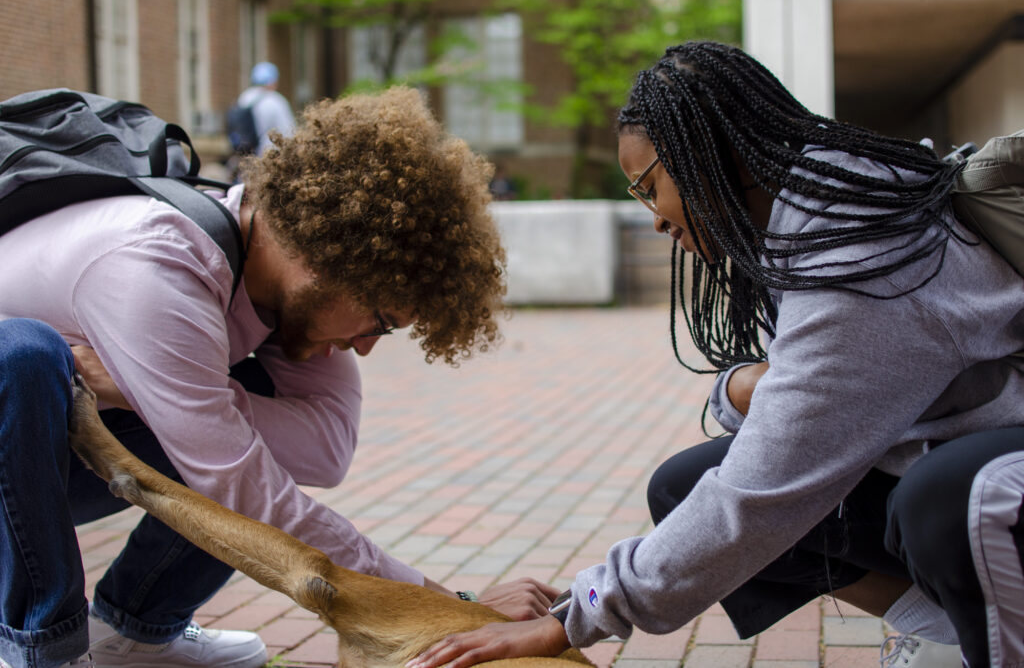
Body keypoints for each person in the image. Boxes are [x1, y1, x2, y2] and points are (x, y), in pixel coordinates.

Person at [407, 42, 1024, 668]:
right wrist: (736, 390)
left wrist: (577, 617)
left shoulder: (862, 256)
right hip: (936, 440)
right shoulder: (811, 218)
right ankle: (940, 629)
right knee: (682, 486)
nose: (653, 219)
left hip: (997, 464)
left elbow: (759, 492)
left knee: (949, 500)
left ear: (711, 155)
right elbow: (788, 396)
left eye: (650, 187)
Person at [0, 86, 559, 668]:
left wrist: (149, 397)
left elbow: (323, 450)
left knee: (241, 430)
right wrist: (451, 607)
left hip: (49, 466)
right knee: (24, 355)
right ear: (332, 257)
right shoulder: (159, 266)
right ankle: (40, 650)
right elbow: (249, 492)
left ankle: (135, 634)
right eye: (381, 321)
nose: (365, 347)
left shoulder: (276, 280)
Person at [236, 61, 296, 157]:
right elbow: (289, 133)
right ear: (273, 81)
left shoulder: (244, 98)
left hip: (247, 155)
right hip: (269, 156)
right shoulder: (277, 101)